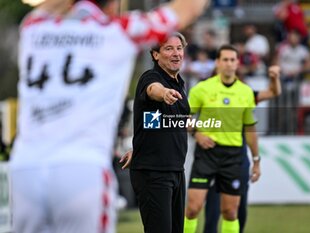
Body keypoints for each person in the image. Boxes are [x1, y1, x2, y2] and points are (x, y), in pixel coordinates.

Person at [9, 0, 209, 232]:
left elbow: (48, 8)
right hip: (81, 167)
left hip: (26, 167)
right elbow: (189, 7)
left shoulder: (34, 27)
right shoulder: (118, 31)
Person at [184, 44, 261, 233]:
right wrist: (197, 134)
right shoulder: (201, 89)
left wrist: (256, 160)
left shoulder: (245, 92)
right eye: (225, 60)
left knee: (230, 212)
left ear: (237, 63)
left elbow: (250, 128)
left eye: (232, 60)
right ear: (217, 63)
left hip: (233, 156)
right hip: (207, 153)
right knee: (193, 208)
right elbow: (183, 117)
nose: (228, 64)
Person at [121, 32, 189, 233]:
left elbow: (155, 123)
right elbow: (153, 90)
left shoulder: (179, 83)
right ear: (155, 55)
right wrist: (164, 93)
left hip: (176, 170)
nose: (176, 53)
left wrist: (140, 148)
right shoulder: (151, 78)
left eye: (179, 48)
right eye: (169, 48)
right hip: (154, 174)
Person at [203, 65, 281, 233]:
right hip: (212, 159)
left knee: (238, 210)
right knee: (213, 210)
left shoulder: (244, 95)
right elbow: (185, 117)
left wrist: (274, 78)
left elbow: (272, 93)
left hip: (237, 160)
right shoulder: (206, 93)